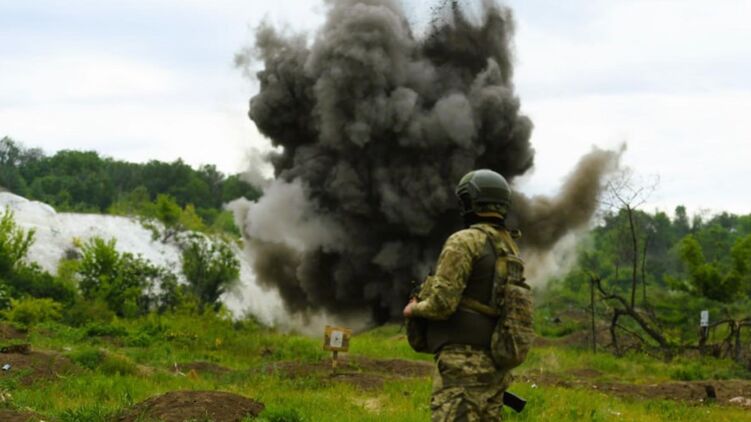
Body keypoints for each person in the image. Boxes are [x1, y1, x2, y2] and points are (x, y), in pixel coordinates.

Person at [403, 169, 526, 422]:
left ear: (470, 201)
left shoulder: (465, 241)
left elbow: (442, 304)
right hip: (494, 364)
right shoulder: (509, 248)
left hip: (462, 366)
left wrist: (413, 309)